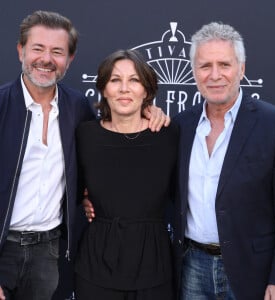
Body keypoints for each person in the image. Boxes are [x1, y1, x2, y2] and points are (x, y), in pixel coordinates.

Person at [0, 11, 169, 300]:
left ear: (70, 59)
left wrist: (148, 110)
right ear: (20, 51)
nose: (46, 59)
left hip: (52, 252)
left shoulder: (77, 107)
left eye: (57, 51)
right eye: (38, 49)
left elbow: (108, 143)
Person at [172, 22, 275, 300]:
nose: (215, 75)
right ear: (194, 72)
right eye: (205, 66)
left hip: (254, 271)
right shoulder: (181, 125)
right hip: (191, 267)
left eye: (224, 65)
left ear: (241, 68)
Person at [74, 49, 178, 300]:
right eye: (115, 80)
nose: (124, 88)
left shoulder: (169, 135)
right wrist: (85, 200)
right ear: (103, 88)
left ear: (147, 89)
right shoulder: (85, 135)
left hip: (154, 264)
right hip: (96, 264)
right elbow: (72, 191)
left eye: (134, 80)